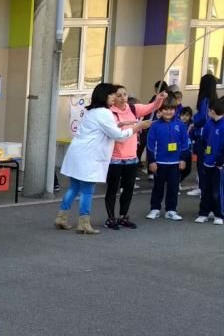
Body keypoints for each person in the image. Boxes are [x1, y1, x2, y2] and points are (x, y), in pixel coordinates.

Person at [56, 83, 149, 235]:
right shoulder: (105, 113)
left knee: (74, 188)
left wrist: (121, 124)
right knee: (87, 190)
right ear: (104, 96)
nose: (115, 97)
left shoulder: (92, 111)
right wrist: (137, 127)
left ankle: (62, 217)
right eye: (112, 94)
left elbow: (104, 129)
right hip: (89, 156)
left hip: (78, 153)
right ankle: (84, 223)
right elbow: (118, 135)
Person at [105, 85, 165, 229]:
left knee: (129, 189)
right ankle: (111, 218)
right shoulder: (109, 113)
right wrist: (137, 126)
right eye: (119, 95)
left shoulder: (132, 108)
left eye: (125, 94)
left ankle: (123, 216)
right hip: (115, 157)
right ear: (113, 97)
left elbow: (150, 108)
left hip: (131, 157)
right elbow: (117, 133)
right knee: (112, 189)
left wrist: (159, 99)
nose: (122, 98)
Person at [145, 102, 189, 221]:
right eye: (165, 109)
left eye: (171, 109)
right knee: (157, 186)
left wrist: (183, 159)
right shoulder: (155, 126)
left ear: (175, 110)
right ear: (160, 111)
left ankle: (171, 210)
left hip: (175, 162)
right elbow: (150, 144)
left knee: (173, 187)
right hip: (159, 162)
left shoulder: (180, 124)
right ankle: (155, 209)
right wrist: (152, 161)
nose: (168, 112)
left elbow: (185, 143)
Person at [189, 73, 218, 197]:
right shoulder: (214, 99)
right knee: (207, 163)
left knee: (202, 163)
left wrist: (193, 123)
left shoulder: (205, 100)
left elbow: (203, 118)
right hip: (211, 136)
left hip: (202, 136)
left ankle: (202, 188)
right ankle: (203, 187)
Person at [197, 97, 224, 224]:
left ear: (213, 111)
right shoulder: (209, 123)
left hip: (219, 165)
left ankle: (219, 214)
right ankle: (204, 212)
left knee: (217, 190)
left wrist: (220, 161)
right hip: (207, 161)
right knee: (205, 188)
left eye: (209, 111)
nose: (208, 113)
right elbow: (204, 140)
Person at [178, 106, 195, 189]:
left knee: (188, 170)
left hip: (188, 151)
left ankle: (178, 181)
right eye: (183, 115)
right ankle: (176, 183)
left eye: (187, 115)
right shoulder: (177, 124)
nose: (184, 117)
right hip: (179, 150)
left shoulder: (192, 126)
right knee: (178, 169)